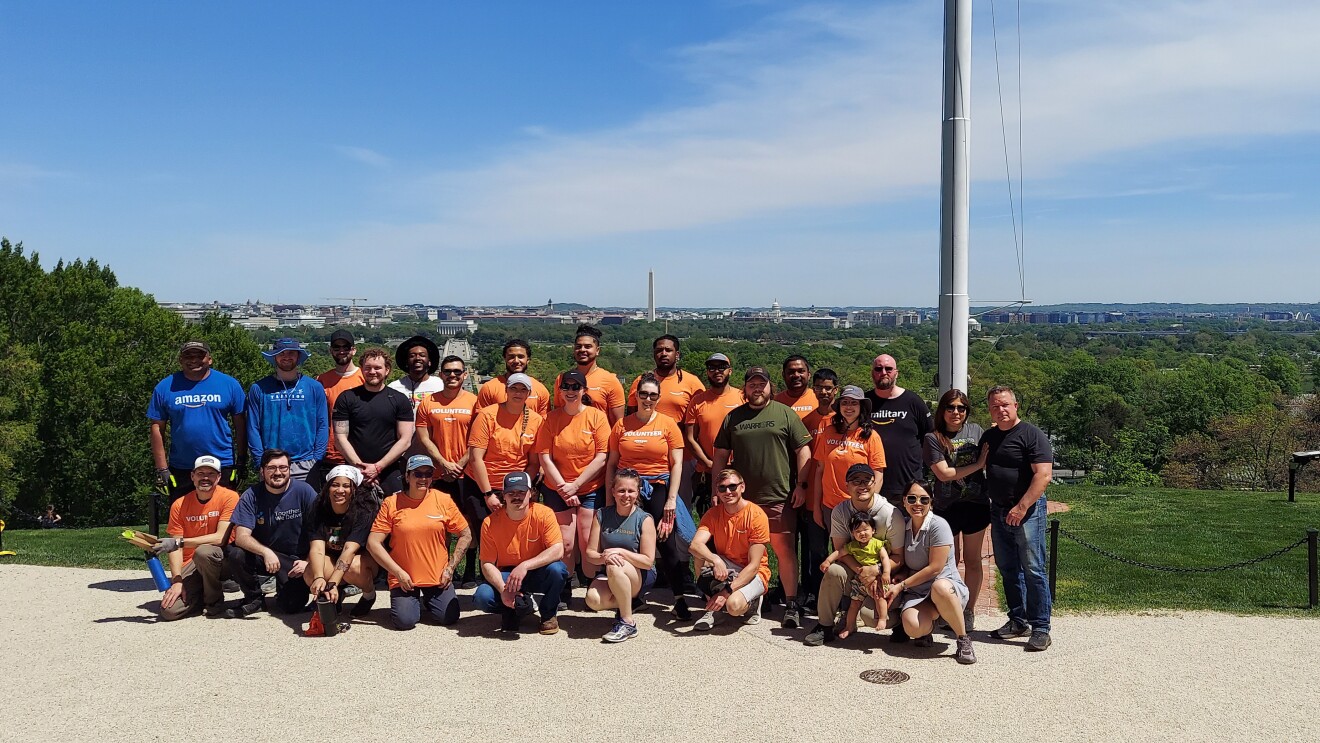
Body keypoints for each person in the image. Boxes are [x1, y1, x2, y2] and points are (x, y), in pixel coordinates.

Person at [712, 366, 812, 628]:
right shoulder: (733, 417)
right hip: (741, 502)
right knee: (743, 554)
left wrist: (801, 485)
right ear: (745, 389)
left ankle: (791, 603)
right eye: (752, 384)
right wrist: (717, 489)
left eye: (762, 384)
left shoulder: (785, 414)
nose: (757, 388)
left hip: (778, 496)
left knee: (784, 552)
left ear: (770, 387)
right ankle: (753, 596)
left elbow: (804, 450)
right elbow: (720, 456)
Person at [604, 372, 687, 618]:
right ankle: (634, 596)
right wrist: (611, 498)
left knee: (666, 539)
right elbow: (612, 463)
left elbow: (677, 464)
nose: (647, 399)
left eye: (653, 395)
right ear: (636, 396)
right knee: (629, 541)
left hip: (658, 485)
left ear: (659, 397)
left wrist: (671, 499)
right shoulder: (622, 425)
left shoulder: (667, 424)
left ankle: (680, 597)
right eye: (643, 394)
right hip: (628, 487)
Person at [981, 385, 1054, 651]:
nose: (1000, 410)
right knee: (1008, 568)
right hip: (999, 510)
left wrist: (1021, 507)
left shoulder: (1031, 435)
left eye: (1005, 405)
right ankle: (1017, 619)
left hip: (1027, 512)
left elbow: (1043, 475)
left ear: (1015, 405)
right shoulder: (989, 437)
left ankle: (1041, 627)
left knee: (1033, 570)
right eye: (995, 406)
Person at [804, 463, 906, 646]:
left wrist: (877, 570)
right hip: (857, 568)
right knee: (834, 571)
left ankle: (901, 621)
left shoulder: (890, 514)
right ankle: (824, 626)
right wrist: (862, 571)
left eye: (867, 480)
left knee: (871, 617)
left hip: (885, 574)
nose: (862, 485)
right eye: (856, 481)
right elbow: (840, 550)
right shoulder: (840, 511)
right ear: (847, 486)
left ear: (874, 483)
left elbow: (899, 557)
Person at [367, 456, 473, 630]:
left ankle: (428, 599)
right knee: (405, 622)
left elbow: (466, 534)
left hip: (437, 577)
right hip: (404, 578)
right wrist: (398, 572)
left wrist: (450, 568)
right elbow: (373, 543)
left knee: (449, 617)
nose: (423, 478)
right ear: (407, 477)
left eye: (428, 474)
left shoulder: (443, 500)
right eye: (418, 474)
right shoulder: (391, 503)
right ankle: (413, 601)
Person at [535, 369, 610, 601]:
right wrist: (562, 487)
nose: (570, 391)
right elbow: (544, 456)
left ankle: (592, 585)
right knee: (566, 542)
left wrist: (576, 485)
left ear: (584, 391)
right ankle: (564, 585)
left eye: (575, 387)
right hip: (557, 487)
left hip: (589, 486)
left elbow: (602, 456)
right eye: (566, 387)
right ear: (560, 391)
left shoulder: (596, 417)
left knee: (588, 540)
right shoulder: (551, 418)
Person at [807, 384, 885, 608]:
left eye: (854, 403)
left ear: (862, 407)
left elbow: (878, 474)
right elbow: (820, 470)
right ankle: (841, 605)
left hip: (859, 509)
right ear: (839, 406)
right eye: (845, 402)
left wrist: (867, 505)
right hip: (831, 506)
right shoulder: (828, 431)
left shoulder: (871, 436)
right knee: (839, 556)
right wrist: (816, 506)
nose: (849, 407)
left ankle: (860, 604)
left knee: (862, 556)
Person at [882, 482, 976, 664]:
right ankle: (928, 629)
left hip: (946, 587)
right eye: (912, 498)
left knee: (939, 587)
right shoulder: (905, 527)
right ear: (904, 501)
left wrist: (902, 585)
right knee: (913, 627)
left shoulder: (938, 525)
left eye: (924, 499)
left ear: (931, 503)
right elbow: (911, 561)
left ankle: (963, 639)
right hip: (919, 591)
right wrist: (903, 574)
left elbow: (935, 568)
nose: (917, 503)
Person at [222, 449, 318, 617]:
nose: (278, 472)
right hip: (265, 556)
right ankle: (254, 599)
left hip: (295, 559)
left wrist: (308, 562)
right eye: (271, 468)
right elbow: (241, 536)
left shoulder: (305, 491)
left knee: (291, 606)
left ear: (290, 469)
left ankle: (284, 591)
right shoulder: (251, 495)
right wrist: (266, 552)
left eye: (283, 467)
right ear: (262, 471)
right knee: (236, 553)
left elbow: (319, 532)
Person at [472, 472, 570, 634]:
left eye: (521, 492)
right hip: (507, 575)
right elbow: (487, 563)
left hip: (536, 570)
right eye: (511, 493)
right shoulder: (490, 523)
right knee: (483, 597)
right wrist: (504, 590)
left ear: (531, 493)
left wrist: (525, 566)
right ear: (503, 495)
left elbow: (558, 550)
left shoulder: (544, 514)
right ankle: (515, 608)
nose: (516, 497)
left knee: (558, 570)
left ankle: (548, 614)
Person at [924, 388, 989, 631]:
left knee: (972, 560)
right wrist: (978, 464)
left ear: (967, 411)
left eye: (961, 408)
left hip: (975, 504)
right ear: (942, 410)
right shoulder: (933, 437)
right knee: (949, 561)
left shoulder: (976, 431)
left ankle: (968, 609)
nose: (956, 412)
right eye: (950, 407)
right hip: (946, 507)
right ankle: (948, 607)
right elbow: (943, 473)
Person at [147, 340, 246, 498]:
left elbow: (241, 424)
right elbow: (157, 428)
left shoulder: (229, 384)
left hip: (222, 464)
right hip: (182, 466)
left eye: (199, 355)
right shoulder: (165, 387)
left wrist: (241, 462)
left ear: (210, 359)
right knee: (183, 517)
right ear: (180, 360)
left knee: (224, 517)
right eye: (188, 356)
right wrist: (161, 469)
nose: (194, 360)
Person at [415, 355, 481, 585]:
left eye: (457, 372)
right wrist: (443, 463)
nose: (452, 375)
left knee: (468, 523)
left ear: (464, 374)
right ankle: (443, 568)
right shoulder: (428, 402)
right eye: (447, 371)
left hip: (468, 474)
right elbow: (424, 437)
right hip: (438, 474)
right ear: (440, 374)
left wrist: (459, 464)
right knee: (439, 524)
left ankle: (470, 570)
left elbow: (478, 439)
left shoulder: (475, 401)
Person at [152, 455, 240, 620]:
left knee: (203, 552)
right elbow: (174, 548)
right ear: (192, 476)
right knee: (170, 611)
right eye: (200, 473)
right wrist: (177, 580)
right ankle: (198, 597)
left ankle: (214, 603)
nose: (205, 478)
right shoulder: (179, 504)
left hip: (220, 559)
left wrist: (180, 543)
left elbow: (220, 538)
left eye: (211, 474)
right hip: (190, 563)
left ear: (219, 477)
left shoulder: (230, 497)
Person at [467, 372, 544, 558]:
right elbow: (475, 458)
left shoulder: (536, 420)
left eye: (522, 389)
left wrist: (521, 489)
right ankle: (487, 574)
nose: (518, 393)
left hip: (516, 484)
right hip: (484, 483)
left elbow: (534, 462)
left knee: (515, 532)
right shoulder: (487, 415)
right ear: (506, 391)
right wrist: (488, 494)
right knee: (486, 531)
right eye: (513, 388)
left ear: (529, 394)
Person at [687, 468, 771, 631]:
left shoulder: (756, 515)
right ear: (717, 491)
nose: (728, 492)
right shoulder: (713, 514)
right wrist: (715, 560)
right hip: (727, 564)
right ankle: (713, 607)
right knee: (700, 556)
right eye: (722, 488)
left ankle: (753, 603)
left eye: (733, 487)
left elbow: (754, 566)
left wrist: (726, 592)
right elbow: (695, 545)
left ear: (742, 487)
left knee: (733, 606)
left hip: (754, 571)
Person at [583, 469, 657, 642]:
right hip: (611, 572)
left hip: (641, 574)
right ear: (613, 492)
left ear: (638, 492)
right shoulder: (601, 515)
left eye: (631, 491)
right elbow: (590, 554)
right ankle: (630, 603)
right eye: (621, 490)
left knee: (615, 564)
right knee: (592, 600)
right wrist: (603, 557)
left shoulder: (644, 519)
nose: (626, 495)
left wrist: (620, 552)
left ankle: (627, 622)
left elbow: (647, 561)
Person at [332, 348, 415, 495]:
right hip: (355, 468)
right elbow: (340, 438)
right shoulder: (347, 398)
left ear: (387, 370)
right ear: (362, 369)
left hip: (389, 469)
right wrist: (361, 469)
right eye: (368, 368)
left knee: (394, 515)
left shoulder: (399, 399)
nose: (372, 372)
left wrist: (378, 467)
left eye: (377, 368)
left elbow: (405, 440)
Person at [303, 465, 381, 619]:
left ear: (354, 489)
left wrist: (332, 583)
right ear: (327, 488)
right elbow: (317, 548)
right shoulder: (318, 507)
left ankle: (369, 595)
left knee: (353, 566)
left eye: (346, 486)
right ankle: (333, 596)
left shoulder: (364, 510)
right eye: (335, 485)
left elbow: (349, 551)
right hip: (332, 558)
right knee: (311, 570)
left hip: (360, 561)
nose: (340, 490)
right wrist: (319, 577)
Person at [246, 338, 328, 482]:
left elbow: (322, 424)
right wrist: (260, 461)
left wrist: (317, 459)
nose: (286, 357)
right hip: (272, 463)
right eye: (281, 353)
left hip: (306, 463)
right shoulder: (259, 389)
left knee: (308, 504)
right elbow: (253, 427)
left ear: (298, 356)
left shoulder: (314, 387)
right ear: (274, 356)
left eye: (291, 353)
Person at [865, 354, 932, 507]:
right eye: (878, 368)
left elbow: (930, 437)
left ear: (896, 373)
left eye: (888, 369)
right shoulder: (864, 402)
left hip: (908, 487)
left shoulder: (913, 401)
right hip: (870, 487)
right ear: (872, 373)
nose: (883, 372)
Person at [683, 353, 743, 513]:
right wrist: (709, 463)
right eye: (712, 368)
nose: (717, 371)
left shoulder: (742, 397)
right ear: (707, 372)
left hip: (739, 470)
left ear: (730, 371)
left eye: (722, 367)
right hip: (707, 471)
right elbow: (690, 438)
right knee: (710, 519)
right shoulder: (698, 401)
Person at [820, 511, 893, 639]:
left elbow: (885, 558)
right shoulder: (852, 546)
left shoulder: (876, 544)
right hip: (859, 581)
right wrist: (828, 561)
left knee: (879, 597)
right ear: (853, 534)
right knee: (854, 604)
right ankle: (849, 627)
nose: (862, 533)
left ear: (873, 530)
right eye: (858, 531)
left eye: (866, 529)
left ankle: (882, 618)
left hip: (875, 579)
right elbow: (839, 552)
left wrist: (886, 572)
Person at [307, 329, 363, 491]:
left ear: (354, 349)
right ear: (331, 350)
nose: (341, 351)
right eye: (337, 347)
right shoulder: (322, 380)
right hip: (329, 455)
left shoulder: (365, 377)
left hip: (359, 453)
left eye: (346, 347)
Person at [554, 324, 625, 424]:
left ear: (597, 350)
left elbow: (618, 424)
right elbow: (557, 415)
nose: (582, 350)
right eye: (578, 346)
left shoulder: (610, 381)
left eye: (588, 347)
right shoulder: (562, 379)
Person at [476, 339, 551, 417]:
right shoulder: (489, 388)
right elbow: (481, 419)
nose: (516, 361)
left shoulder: (540, 390)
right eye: (511, 357)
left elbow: (544, 423)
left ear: (528, 360)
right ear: (505, 359)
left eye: (521, 357)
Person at [388, 335, 445, 413]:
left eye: (422, 355)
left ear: (429, 362)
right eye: (412, 356)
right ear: (406, 362)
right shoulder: (394, 388)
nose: (417, 358)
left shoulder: (442, 385)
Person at [774, 355, 818, 420]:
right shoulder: (775, 402)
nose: (796, 375)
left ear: (808, 375)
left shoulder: (820, 399)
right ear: (783, 375)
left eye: (801, 371)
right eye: (791, 372)